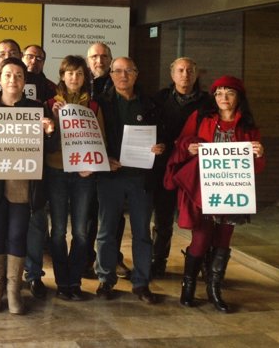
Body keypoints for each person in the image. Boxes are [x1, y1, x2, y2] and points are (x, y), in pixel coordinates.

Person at [165, 75, 265, 312]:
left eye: (229, 93)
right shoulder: (201, 117)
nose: (223, 98)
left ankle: (214, 289)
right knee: (200, 240)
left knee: (223, 241)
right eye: (219, 93)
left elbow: (257, 168)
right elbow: (182, 142)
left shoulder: (248, 126)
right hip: (205, 190)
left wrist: (259, 154)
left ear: (239, 97)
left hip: (233, 192)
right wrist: (189, 147)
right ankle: (188, 285)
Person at [0, 57, 56, 315]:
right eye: (7, 75)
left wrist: (49, 131)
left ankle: (14, 289)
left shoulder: (36, 108)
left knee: (17, 234)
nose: (12, 80)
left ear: (25, 81)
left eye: (18, 75)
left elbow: (50, 148)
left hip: (23, 182)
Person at [95, 57, 165, 304]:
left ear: (136, 74)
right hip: (110, 176)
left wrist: (160, 147)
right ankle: (105, 279)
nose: (123, 76)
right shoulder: (100, 104)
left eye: (128, 71)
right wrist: (105, 158)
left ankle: (141, 283)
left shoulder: (150, 104)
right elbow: (92, 137)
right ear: (110, 75)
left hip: (140, 178)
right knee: (106, 231)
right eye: (118, 71)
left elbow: (163, 134)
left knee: (142, 233)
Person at [44, 55, 103, 300]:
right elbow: (45, 143)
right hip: (57, 170)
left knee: (80, 231)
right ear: (62, 76)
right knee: (58, 231)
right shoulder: (49, 103)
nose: (74, 78)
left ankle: (74, 281)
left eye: (79, 73)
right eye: (70, 73)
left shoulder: (94, 106)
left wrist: (93, 165)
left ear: (85, 77)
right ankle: (61, 281)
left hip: (83, 173)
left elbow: (101, 140)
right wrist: (54, 119)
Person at [150, 57, 209, 278]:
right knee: (163, 219)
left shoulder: (207, 103)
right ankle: (158, 261)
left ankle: (200, 262)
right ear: (172, 74)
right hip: (166, 168)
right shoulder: (159, 99)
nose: (185, 75)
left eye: (190, 70)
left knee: (200, 221)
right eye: (181, 70)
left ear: (196, 75)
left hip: (195, 170)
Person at [84, 41, 130, 280]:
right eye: (94, 57)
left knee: (113, 216)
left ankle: (114, 258)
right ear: (87, 60)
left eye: (104, 57)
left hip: (113, 162)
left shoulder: (119, 84)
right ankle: (87, 259)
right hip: (85, 161)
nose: (99, 61)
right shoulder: (79, 82)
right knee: (87, 214)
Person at [22, 45, 58, 298]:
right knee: (6, 229)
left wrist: (49, 131)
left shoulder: (42, 104)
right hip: (3, 175)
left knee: (35, 225)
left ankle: (34, 275)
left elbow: (52, 145)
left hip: (34, 174)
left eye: (38, 58)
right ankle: (7, 278)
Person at [0, 39, 48, 106]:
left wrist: (42, 107)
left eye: (13, 53)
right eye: (2, 54)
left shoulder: (41, 83)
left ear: (21, 56)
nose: (7, 57)